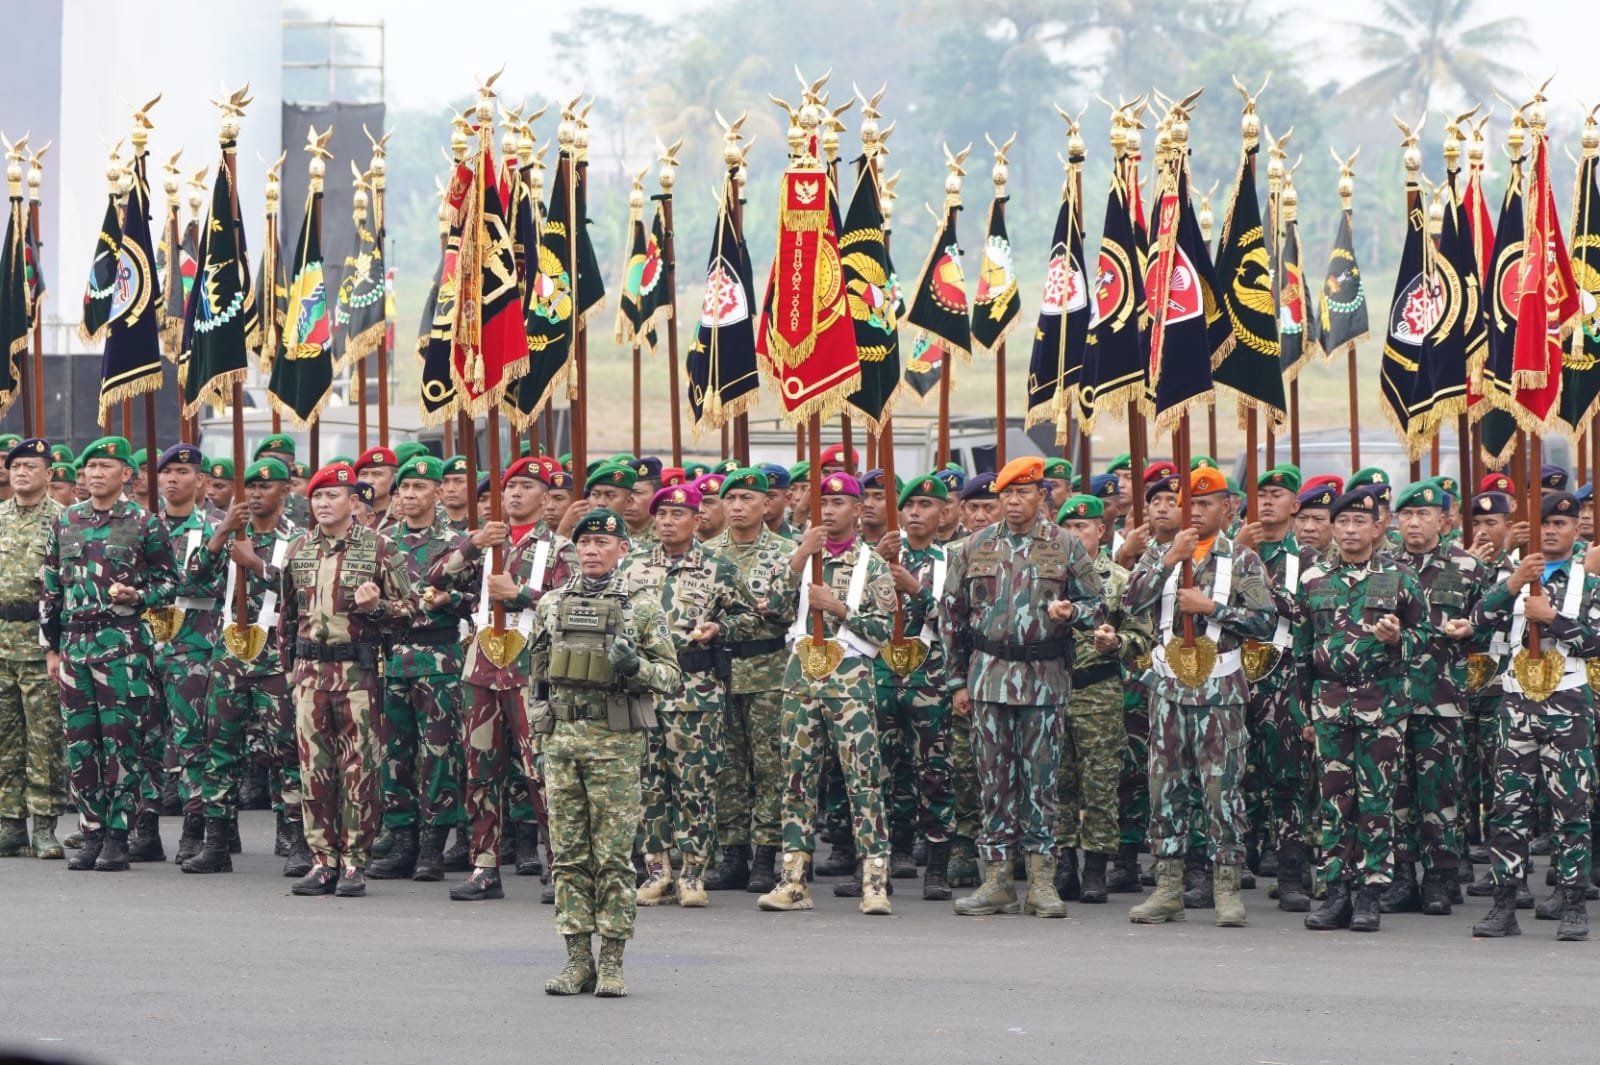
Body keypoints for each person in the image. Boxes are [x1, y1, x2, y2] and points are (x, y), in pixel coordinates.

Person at [941, 456, 1105, 919]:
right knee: (993, 782)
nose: (1013, 502)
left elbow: (1098, 606)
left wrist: (1074, 614)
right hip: (989, 677)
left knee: (1041, 783)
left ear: (1041, 496)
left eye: (1023, 493)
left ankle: (1041, 881)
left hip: (1044, 678)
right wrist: (957, 681)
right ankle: (995, 880)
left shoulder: (1067, 546)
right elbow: (951, 618)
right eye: (1006, 494)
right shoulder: (972, 547)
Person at [534, 507, 681, 998]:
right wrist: (539, 733)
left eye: (603, 543)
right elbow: (536, 675)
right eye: (585, 543)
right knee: (570, 857)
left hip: (614, 743)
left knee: (614, 857)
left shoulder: (641, 606)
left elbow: (670, 675)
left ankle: (613, 961)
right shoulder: (553, 603)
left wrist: (636, 665)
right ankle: (577, 960)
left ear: (623, 549)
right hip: (562, 742)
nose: (592, 551)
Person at [1124, 465, 1274, 927]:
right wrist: (1169, 559)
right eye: (1189, 503)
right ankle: (1168, 887)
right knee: (1164, 788)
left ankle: (1226, 887)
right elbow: (1130, 602)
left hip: (1220, 692)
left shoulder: (1242, 560)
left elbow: (1265, 623)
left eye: (1206, 503)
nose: (1195, 512)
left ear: (1226, 508)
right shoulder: (1158, 553)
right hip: (1168, 690)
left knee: (1220, 789)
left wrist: (1212, 608)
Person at [431, 457, 573, 901]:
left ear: (546, 498)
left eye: (527, 487)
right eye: (510, 486)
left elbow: (573, 606)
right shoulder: (486, 543)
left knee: (541, 772)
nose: (514, 494)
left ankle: (560, 864)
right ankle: (484, 865)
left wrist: (522, 594)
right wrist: (472, 545)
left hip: (532, 671)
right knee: (480, 771)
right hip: (482, 669)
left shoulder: (559, 548)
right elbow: (433, 578)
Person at [757, 472, 897, 915]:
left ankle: (875, 880)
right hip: (800, 677)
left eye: (840, 503)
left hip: (850, 679)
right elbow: (773, 612)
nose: (831, 510)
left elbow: (885, 631)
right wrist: (800, 557)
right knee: (797, 779)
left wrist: (839, 609)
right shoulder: (800, 558)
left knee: (863, 779)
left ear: (857, 510)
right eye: (824, 503)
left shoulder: (870, 564)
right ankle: (793, 879)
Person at [1462, 491, 1600, 942]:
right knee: (1510, 808)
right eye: (1542, 525)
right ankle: (1505, 902)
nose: (1551, 532)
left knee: (1571, 809)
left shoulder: (1589, 583)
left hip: (1569, 705)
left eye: (1560, 525)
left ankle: (1573, 901)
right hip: (1517, 703)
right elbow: (1478, 619)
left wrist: (1554, 618)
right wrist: (1513, 582)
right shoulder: (1516, 575)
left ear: (1576, 530)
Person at [623, 482, 763, 907]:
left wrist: (722, 629)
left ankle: (693, 872)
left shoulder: (719, 568)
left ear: (696, 520)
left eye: (677, 514)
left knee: (695, 786)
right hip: (645, 688)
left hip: (694, 689)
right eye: (661, 513)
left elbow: (750, 619)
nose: (667, 521)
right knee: (648, 784)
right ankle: (658, 871)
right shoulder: (632, 565)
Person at [1297, 487, 1430, 933]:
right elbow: (1301, 651)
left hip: (1382, 704)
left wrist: (1398, 639)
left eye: (1359, 522)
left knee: (1376, 800)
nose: (1350, 530)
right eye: (1343, 523)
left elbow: (1427, 637)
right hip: (1330, 704)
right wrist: (1305, 714)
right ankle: (1335, 891)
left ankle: (1371, 893)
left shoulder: (1399, 577)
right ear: (1333, 528)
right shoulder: (1314, 578)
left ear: (1377, 527)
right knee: (1335, 801)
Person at [279, 462, 415, 897]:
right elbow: (287, 616)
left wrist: (377, 608)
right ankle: (323, 860)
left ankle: (355, 861)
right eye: (316, 496)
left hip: (357, 673)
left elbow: (411, 611)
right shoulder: (297, 548)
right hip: (309, 675)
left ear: (353, 503)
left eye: (332, 496)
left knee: (359, 771)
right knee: (313, 771)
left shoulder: (378, 548)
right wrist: (288, 669)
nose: (322, 503)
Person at [43, 436, 179, 872]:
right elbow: (50, 587)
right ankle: (91, 829)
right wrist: (51, 649)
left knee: (121, 742)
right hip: (74, 647)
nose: (96, 473)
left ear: (126, 474)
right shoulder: (66, 521)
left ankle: (119, 832)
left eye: (105, 465)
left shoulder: (144, 523)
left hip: (122, 645)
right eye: (91, 466)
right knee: (81, 745)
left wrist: (139, 594)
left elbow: (170, 584)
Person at [183, 458, 305, 877]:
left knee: (286, 751)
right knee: (219, 749)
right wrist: (220, 535)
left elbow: (303, 592)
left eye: (264, 488)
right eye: (249, 486)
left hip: (276, 656)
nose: (255, 494)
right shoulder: (234, 533)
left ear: (285, 492)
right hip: (230, 656)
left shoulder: (299, 539)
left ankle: (298, 839)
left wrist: (256, 565)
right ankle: (216, 842)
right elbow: (192, 582)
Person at [1385, 481, 1493, 916]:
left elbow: (1494, 623)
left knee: (1441, 791)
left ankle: (1440, 877)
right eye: (1406, 515)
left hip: (1444, 696)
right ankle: (1402, 877)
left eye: (1423, 515)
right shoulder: (1385, 566)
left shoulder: (1467, 566)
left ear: (1442, 521)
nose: (1413, 522)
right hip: (1391, 697)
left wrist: (1475, 632)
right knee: (1398, 791)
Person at [367, 456, 472, 883]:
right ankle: (403, 839)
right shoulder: (381, 541)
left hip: (439, 658)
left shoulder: (458, 542)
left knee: (439, 755)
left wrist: (454, 602)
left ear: (438, 494)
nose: (410, 495)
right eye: (404, 487)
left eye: (420, 488)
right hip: (392, 659)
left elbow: (479, 599)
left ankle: (433, 843)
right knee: (394, 756)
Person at [703, 468, 796, 894]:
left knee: (770, 766)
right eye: (731, 498)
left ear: (766, 504)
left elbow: (792, 609)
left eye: (747, 498)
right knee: (728, 768)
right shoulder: (706, 554)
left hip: (768, 672)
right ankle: (733, 853)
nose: (737, 506)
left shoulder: (787, 552)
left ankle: (766, 855)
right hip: (721, 671)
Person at [1055, 492, 1152, 904]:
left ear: (1102, 530)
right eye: (1068, 528)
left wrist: (1117, 643)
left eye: (1083, 527)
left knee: (1100, 781)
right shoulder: (1048, 578)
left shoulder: (1121, 579)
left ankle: (1095, 866)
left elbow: (1142, 636)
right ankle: (1062, 864)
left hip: (1099, 688)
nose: (1076, 535)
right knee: (1057, 782)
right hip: (1053, 688)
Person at [873, 474, 961, 900]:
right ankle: (880, 863)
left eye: (926, 506)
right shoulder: (880, 556)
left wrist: (916, 591)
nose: (914, 514)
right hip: (883, 676)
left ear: (943, 513)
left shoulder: (951, 561)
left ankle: (938, 867)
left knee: (935, 772)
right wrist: (875, 562)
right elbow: (852, 609)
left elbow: (957, 620)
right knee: (882, 772)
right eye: (909, 507)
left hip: (931, 678)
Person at [1232, 464, 1314, 911]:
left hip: (1283, 675)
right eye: (1260, 494)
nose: (1266, 502)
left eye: (1277, 494)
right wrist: (1235, 555)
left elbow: (1305, 610)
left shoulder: (1307, 558)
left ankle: (1290, 871)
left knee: (1287, 778)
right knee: (1236, 773)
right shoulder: (1230, 551)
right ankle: (1234, 859)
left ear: (1294, 506)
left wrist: (1257, 571)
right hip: (1234, 669)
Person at [144, 444, 226, 866]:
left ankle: (196, 829)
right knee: (145, 741)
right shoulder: (143, 526)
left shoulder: (215, 527)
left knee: (194, 743)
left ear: (201, 481)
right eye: (167, 472)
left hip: (194, 646)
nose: (172, 479)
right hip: (144, 644)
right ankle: (144, 826)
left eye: (182, 471)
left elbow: (209, 584)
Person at [0, 438, 66, 859]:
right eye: (15, 466)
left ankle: (44, 826)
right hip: (1, 642)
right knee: (5, 739)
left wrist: (57, 646)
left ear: (49, 473)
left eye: (30, 466)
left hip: (40, 642)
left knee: (45, 740)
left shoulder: (63, 520)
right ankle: (9, 824)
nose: (21, 473)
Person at [353, 446, 400, 527]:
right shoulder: (349, 515)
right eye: (363, 474)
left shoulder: (402, 514)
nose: (369, 481)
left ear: (393, 478)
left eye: (377, 474)